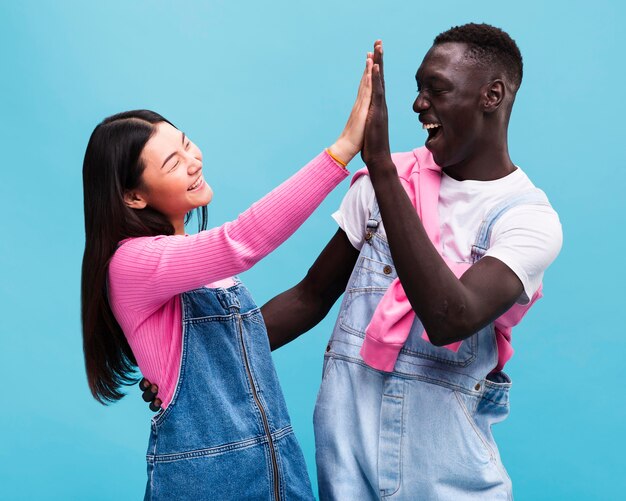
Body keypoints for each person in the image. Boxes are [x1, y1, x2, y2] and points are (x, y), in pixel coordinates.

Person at [143, 24, 562, 500]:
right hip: (346, 478)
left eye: (437, 89)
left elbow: (451, 317)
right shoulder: (382, 184)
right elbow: (309, 297)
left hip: (451, 483)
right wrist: (194, 363)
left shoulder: (527, 219)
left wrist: (381, 167)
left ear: (493, 95)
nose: (418, 104)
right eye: (418, 88)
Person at [81, 53, 373, 500]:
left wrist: (366, 216)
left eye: (186, 144)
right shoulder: (132, 263)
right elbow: (239, 242)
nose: (193, 161)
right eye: (172, 164)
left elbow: (259, 328)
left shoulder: (195, 269)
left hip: (279, 474)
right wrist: (342, 151)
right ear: (134, 197)